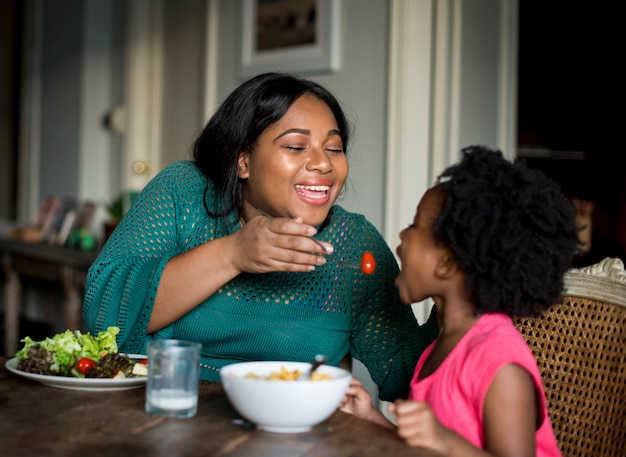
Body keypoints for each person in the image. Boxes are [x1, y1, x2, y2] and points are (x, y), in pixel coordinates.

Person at [83, 72, 439, 401]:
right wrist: (233, 254)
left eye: (334, 148)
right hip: (167, 412)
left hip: (293, 435)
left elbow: (408, 374)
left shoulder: (353, 242)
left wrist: (459, 299)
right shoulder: (185, 194)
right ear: (243, 161)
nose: (323, 164)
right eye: (296, 147)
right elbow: (104, 315)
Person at [340, 146, 579, 457]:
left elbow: (448, 446)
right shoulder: (438, 348)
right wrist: (369, 416)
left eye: (414, 226)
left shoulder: (497, 359)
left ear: (447, 262)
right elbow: (424, 449)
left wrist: (445, 441)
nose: (402, 234)